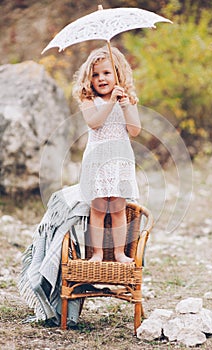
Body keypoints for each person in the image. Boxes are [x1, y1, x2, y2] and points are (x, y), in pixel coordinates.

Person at [72, 46, 141, 263]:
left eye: (106, 73)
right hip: (98, 159)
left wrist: (125, 106)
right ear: (89, 79)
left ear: (117, 75)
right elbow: (94, 123)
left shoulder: (126, 99)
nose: (101, 78)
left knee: (118, 208)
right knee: (99, 207)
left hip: (120, 159)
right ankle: (98, 253)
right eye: (95, 74)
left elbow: (135, 130)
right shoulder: (89, 100)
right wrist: (110, 102)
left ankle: (119, 252)